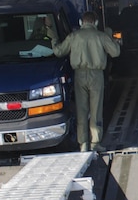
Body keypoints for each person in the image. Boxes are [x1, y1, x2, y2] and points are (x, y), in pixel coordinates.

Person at [52, 10, 121, 152]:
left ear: (80, 22)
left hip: (79, 75)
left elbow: (59, 51)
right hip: (96, 75)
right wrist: (109, 36)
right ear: (95, 22)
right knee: (96, 110)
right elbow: (115, 52)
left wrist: (53, 39)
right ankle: (95, 142)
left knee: (81, 110)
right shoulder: (101, 36)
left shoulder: (74, 36)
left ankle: (83, 144)